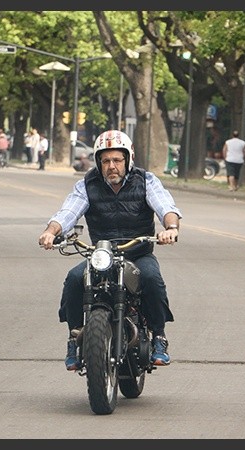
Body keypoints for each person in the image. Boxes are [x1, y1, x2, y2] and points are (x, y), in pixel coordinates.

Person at [38, 130, 181, 370]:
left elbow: (165, 206)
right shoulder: (87, 184)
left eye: (117, 160)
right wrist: (51, 232)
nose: (111, 166)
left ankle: (159, 336)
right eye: (105, 161)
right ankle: (74, 338)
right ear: (98, 162)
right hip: (102, 254)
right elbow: (68, 212)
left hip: (138, 252)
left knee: (151, 278)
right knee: (74, 279)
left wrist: (171, 228)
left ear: (128, 159)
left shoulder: (146, 180)